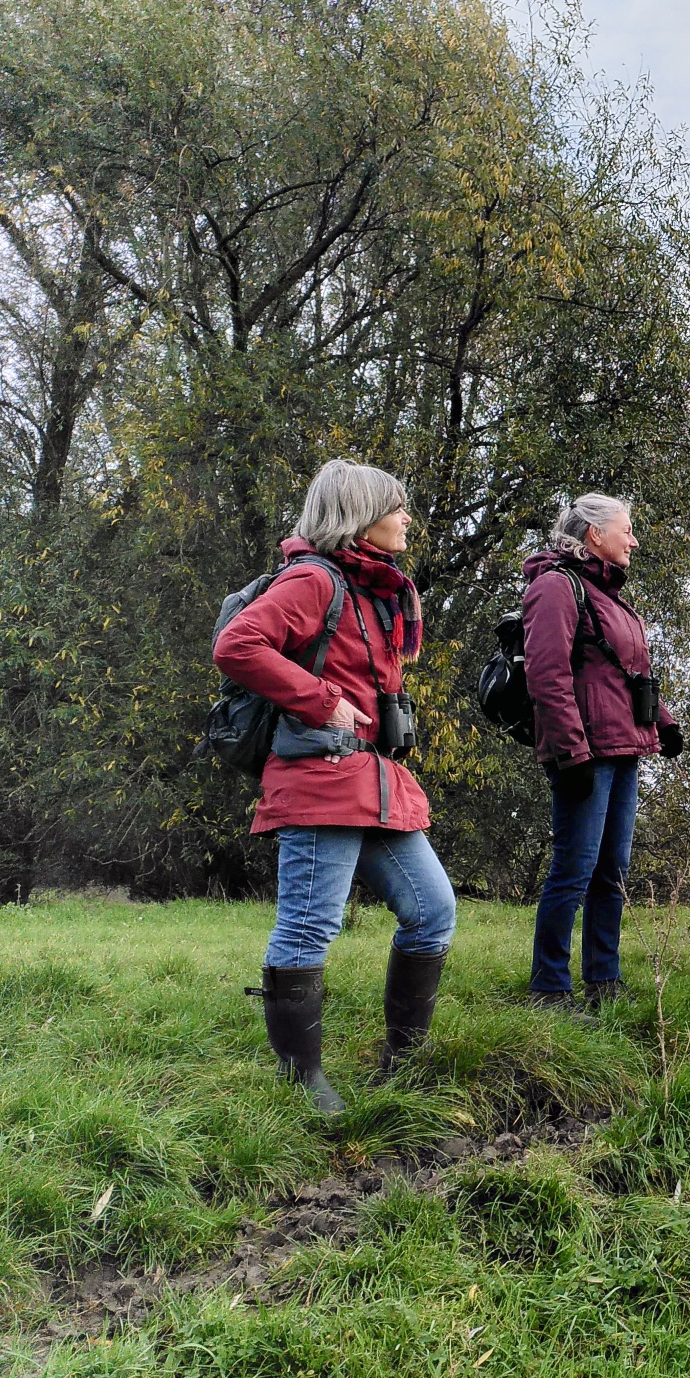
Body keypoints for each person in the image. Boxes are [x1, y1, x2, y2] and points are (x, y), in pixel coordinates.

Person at [213, 459, 456, 1113]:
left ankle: (402, 1063)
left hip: (373, 781)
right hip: (321, 780)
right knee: (307, 929)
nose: (407, 518)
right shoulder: (313, 581)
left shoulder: (374, 593)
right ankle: (304, 1086)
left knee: (433, 913)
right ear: (359, 516)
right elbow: (238, 645)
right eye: (396, 507)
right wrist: (321, 700)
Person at [521, 494, 684, 1017]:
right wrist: (572, 753)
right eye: (627, 530)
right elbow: (548, 677)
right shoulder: (555, 587)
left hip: (623, 748)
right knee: (575, 867)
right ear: (595, 534)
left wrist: (664, 723)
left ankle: (604, 980)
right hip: (585, 752)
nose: (633, 540)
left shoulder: (609, 596)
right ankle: (549, 987)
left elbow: (629, 675)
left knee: (612, 869)